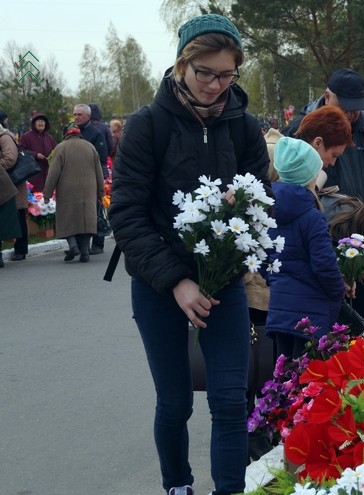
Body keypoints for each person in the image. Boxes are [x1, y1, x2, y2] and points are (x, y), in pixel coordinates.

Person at [108, 13, 268, 495]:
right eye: (205, 73)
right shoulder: (147, 125)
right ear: (182, 64)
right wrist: (177, 280)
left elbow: (261, 199)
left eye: (227, 75)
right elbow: (128, 215)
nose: (215, 86)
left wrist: (242, 218)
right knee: (175, 401)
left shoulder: (243, 126)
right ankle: (177, 484)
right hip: (159, 285)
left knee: (228, 399)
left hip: (223, 283)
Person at [282, 68, 364, 319]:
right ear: (327, 96)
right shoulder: (301, 129)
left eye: (356, 107)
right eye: (345, 106)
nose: (351, 114)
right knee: (329, 313)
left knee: (362, 306)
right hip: (322, 234)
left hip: (363, 236)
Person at [266, 137, 345, 360]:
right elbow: (324, 265)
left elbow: (264, 259)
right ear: (311, 176)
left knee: (283, 379)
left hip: (279, 309)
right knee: (308, 383)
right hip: (310, 314)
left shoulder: (268, 210)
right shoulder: (312, 217)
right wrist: (337, 290)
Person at [43, 123, 105, 262]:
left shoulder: (60, 148)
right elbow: (99, 171)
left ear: (66, 134)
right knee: (86, 221)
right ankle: (85, 252)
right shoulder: (90, 147)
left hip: (67, 190)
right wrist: (101, 192)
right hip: (89, 190)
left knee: (67, 218)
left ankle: (73, 246)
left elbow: (53, 173)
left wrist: (47, 193)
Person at [0, 112, 29, 262]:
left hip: (12, 182)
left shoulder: (4, 137)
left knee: (18, 216)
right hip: (6, 182)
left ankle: (21, 249)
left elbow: (10, 159)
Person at [88, 103, 113, 255]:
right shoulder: (104, 128)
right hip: (102, 168)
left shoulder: (86, 129)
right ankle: (98, 242)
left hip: (85, 170)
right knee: (100, 205)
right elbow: (110, 145)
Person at [18, 113, 57, 192]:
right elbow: (20, 151)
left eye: (43, 121)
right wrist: (35, 155)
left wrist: (52, 156)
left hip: (47, 174)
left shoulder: (49, 138)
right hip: (32, 174)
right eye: (38, 121)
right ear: (34, 123)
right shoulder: (26, 136)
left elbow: (56, 150)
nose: (41, 123)